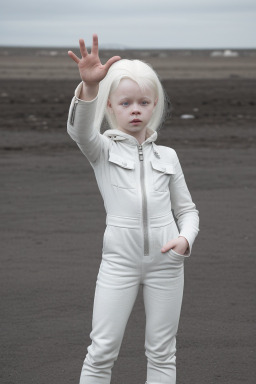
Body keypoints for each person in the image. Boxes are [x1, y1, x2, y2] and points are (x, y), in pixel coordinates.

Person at [67, 34, 199, 384]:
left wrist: (185, 239)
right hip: (119, 263)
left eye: (143, 102)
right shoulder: (102, 150)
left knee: (162, 352)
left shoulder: (167, 156)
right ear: (110, 107)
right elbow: (80, 132)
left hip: (167, 264)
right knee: (101, 351)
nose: (135, 109)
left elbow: (188, 210)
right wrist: (88, 87)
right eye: (125, 103)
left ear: (154, 105)